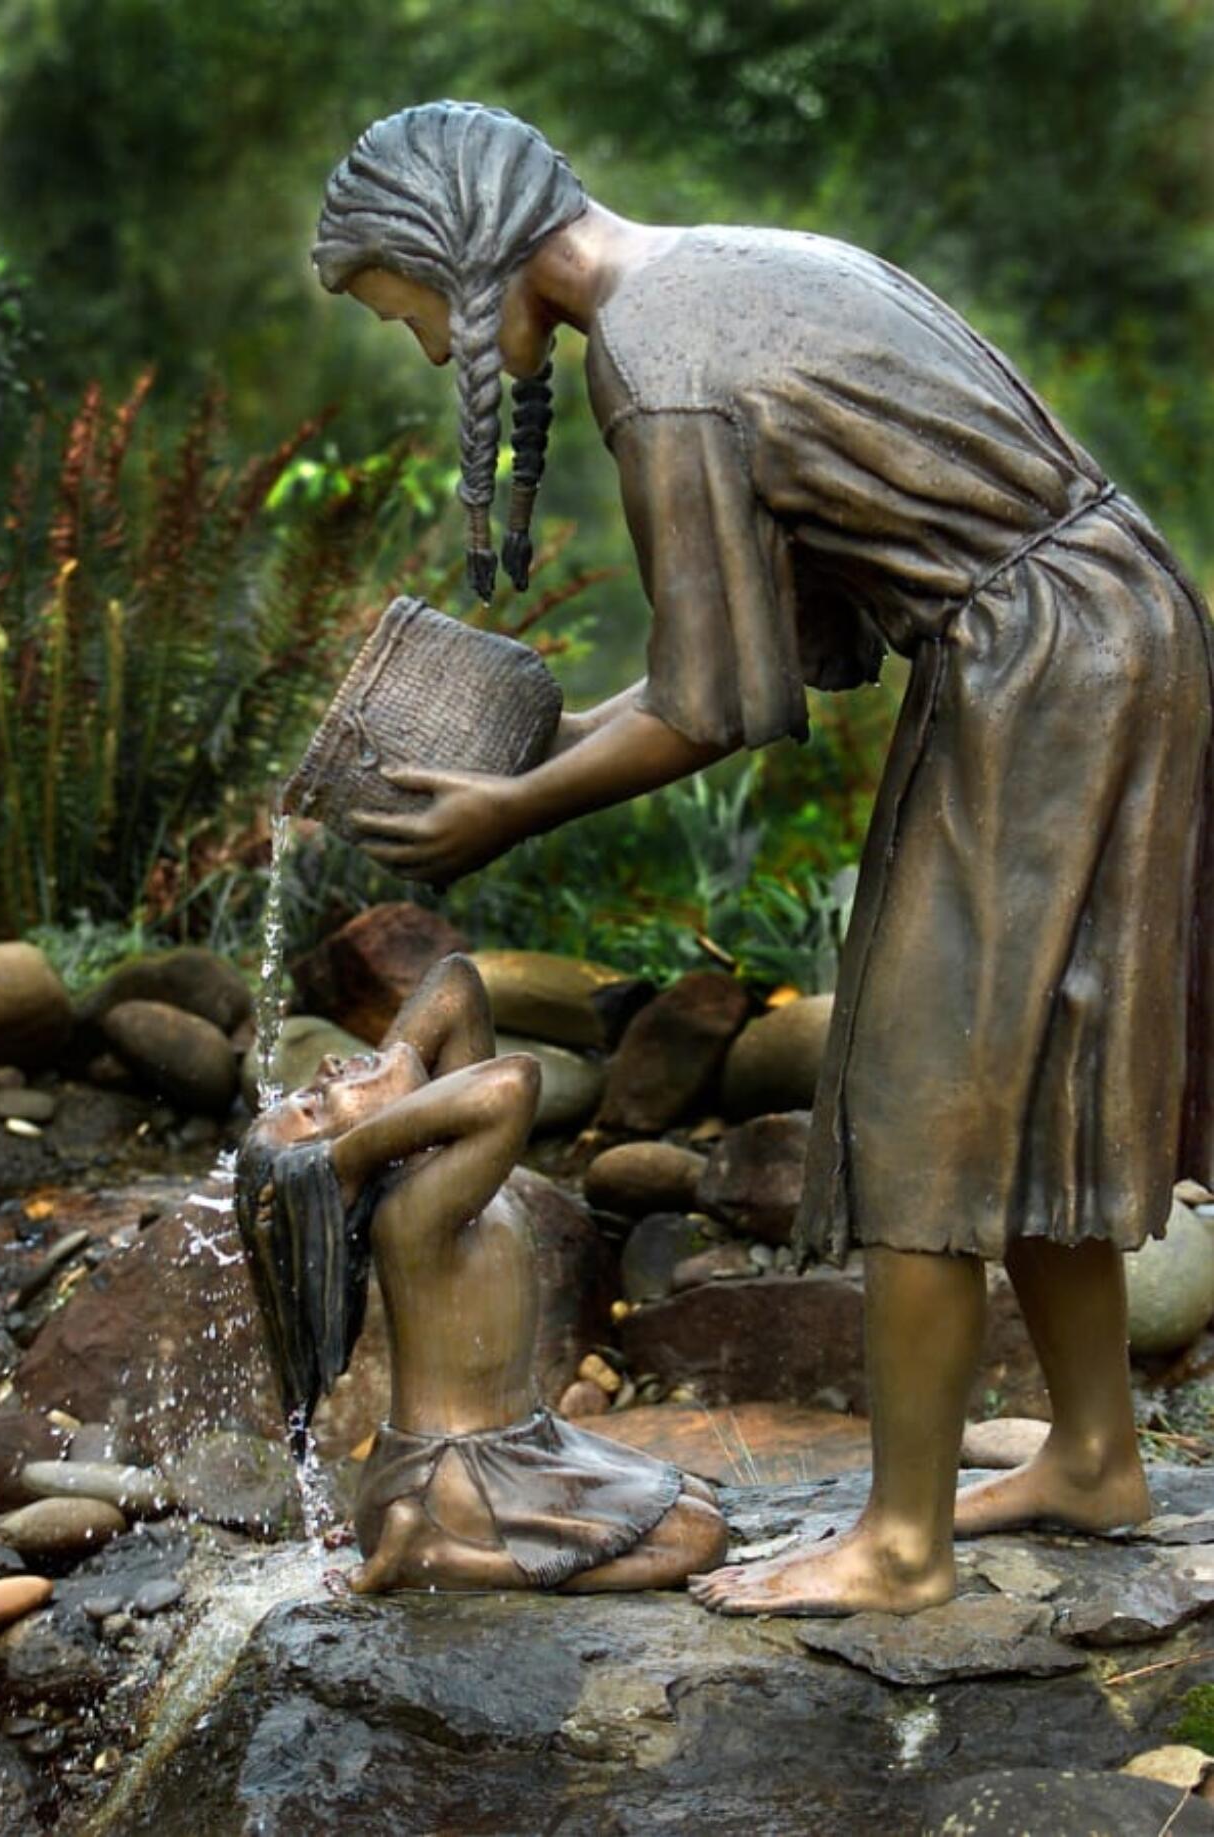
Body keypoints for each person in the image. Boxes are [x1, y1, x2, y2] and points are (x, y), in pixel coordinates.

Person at [312, 102, 1213, 1615]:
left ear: (453, 260)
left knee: (925, 1086)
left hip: (1045, 672)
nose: (420, 348)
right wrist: (542, 749)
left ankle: (904, 1545)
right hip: (1092, 634)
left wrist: (502, 810)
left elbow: (710, 706)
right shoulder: (708, 272)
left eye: (406, 313)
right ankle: (1091, 1451)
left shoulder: (652, 370)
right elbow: (735, 660)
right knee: (1023, 1068)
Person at [235, 954, 727, 1594]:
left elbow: (456, 985)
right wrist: (347, 1155)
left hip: (516, 1448)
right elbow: (515, 1081)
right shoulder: (412, 1210)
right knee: (699, 1538)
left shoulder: (433, 1161)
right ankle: (447, 1561)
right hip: (455, 1478)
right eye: (318, 1106)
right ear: (336, 1172)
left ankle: (437, 1548)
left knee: (697, 1497)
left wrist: (388, 1072)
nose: (327, 1069)